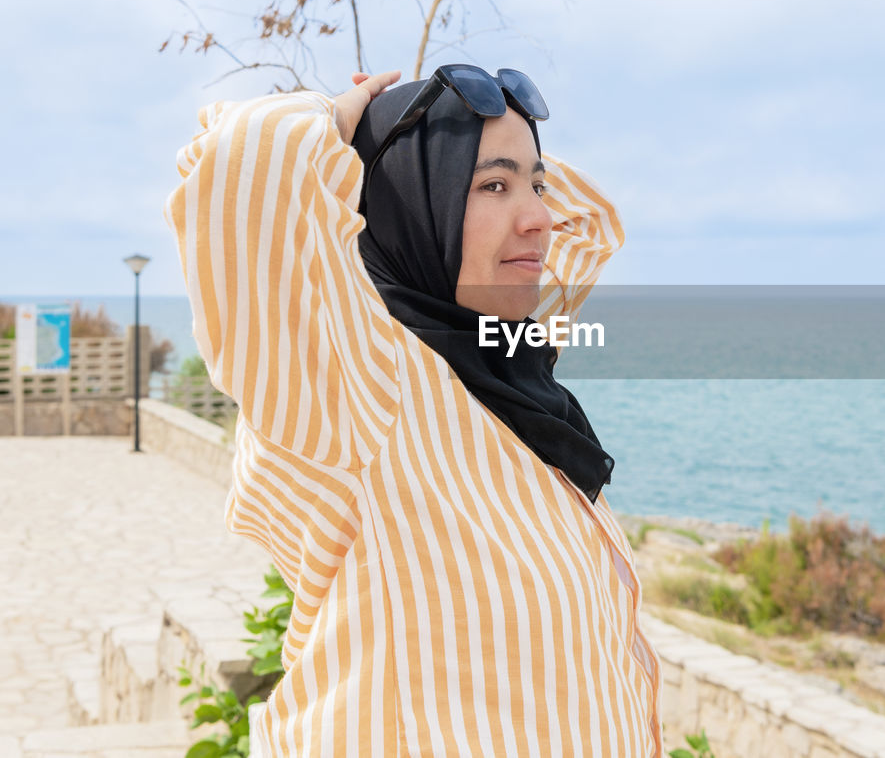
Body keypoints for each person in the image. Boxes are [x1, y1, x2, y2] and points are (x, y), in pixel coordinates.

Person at [164, 67, 662, 756]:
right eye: (493, 184)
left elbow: (591, 225)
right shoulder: (362, 380)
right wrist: (346, 126)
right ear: (410, 206)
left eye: (537, 185)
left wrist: (466, 143)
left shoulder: (504, 375)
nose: (541, 217)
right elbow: (237, 170)